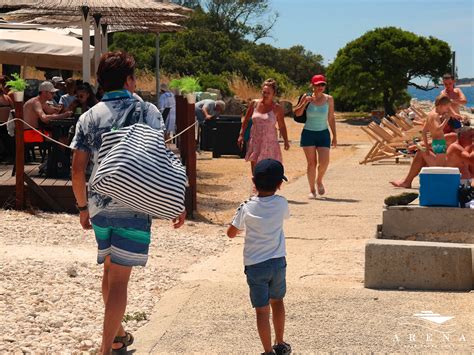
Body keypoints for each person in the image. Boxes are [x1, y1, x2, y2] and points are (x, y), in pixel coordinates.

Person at [70, 51, 186, 355]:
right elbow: (159, 160)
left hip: (99, 203)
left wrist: (82, 207)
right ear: (129, 80)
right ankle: (105, 350)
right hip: (135, 203)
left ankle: (118, 335)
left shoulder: (89, 116)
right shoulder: (148, 111)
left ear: (101, 82)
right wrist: (177, 200)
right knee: (120, 278)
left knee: (109, 271)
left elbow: (77, 168)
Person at [227, 159, 292, 355]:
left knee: (262, 310)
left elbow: (231, 232)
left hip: (255, 265)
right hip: (278, 262)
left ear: (253, 181)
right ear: (280, 184)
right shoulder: (282, 203)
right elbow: (285, 217)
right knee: (278, 301)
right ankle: (280, 343)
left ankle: (267, 351)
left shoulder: (246, 207)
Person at [293, 74, 337, 199]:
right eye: (318, 85)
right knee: (311, 163)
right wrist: (304, 103)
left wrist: (335, 136)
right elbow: (297, 113)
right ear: (313, 85)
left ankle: (319, 181)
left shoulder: (329, 99)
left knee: (325, 162)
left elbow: (331, 118)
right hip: (308, 133)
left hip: (323, 133)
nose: (320, 87)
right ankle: (312, 190)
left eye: (322, 84)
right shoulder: (306, 97)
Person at [390, 127, 473, 188]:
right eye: (471, 136)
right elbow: (436, 144)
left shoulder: (456, 143)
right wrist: (418, 145)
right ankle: (407, 181)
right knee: (423, 152)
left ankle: (407, 181)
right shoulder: (453, 138)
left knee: (422, 153)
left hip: (451, 174)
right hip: (451, 172)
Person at [238, 79, 290, 173]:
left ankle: (268, 187)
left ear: (274, 94)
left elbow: (282, 126)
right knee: (256, 172)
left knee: (269, 171)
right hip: (255, 141)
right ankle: (256, 187)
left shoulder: (277, 108)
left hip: (270, 144)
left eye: (268, 93)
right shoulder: (254, 104)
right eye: (263, 92)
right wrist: (241, 135)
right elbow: (246, 120)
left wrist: (286, 141)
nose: (265, 95)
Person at [421, 95, 462, 166]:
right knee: (440, 166)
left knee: (440, 165)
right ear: (441, 106)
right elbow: (438, 129)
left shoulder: (430, 114)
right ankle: (422, 153)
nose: (447, 110)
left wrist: (427, 146)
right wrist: (446, 119)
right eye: (446, 108)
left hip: (435, 142)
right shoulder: (435, 115)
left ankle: (423, 153)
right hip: (440, 143)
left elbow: (424, 132)